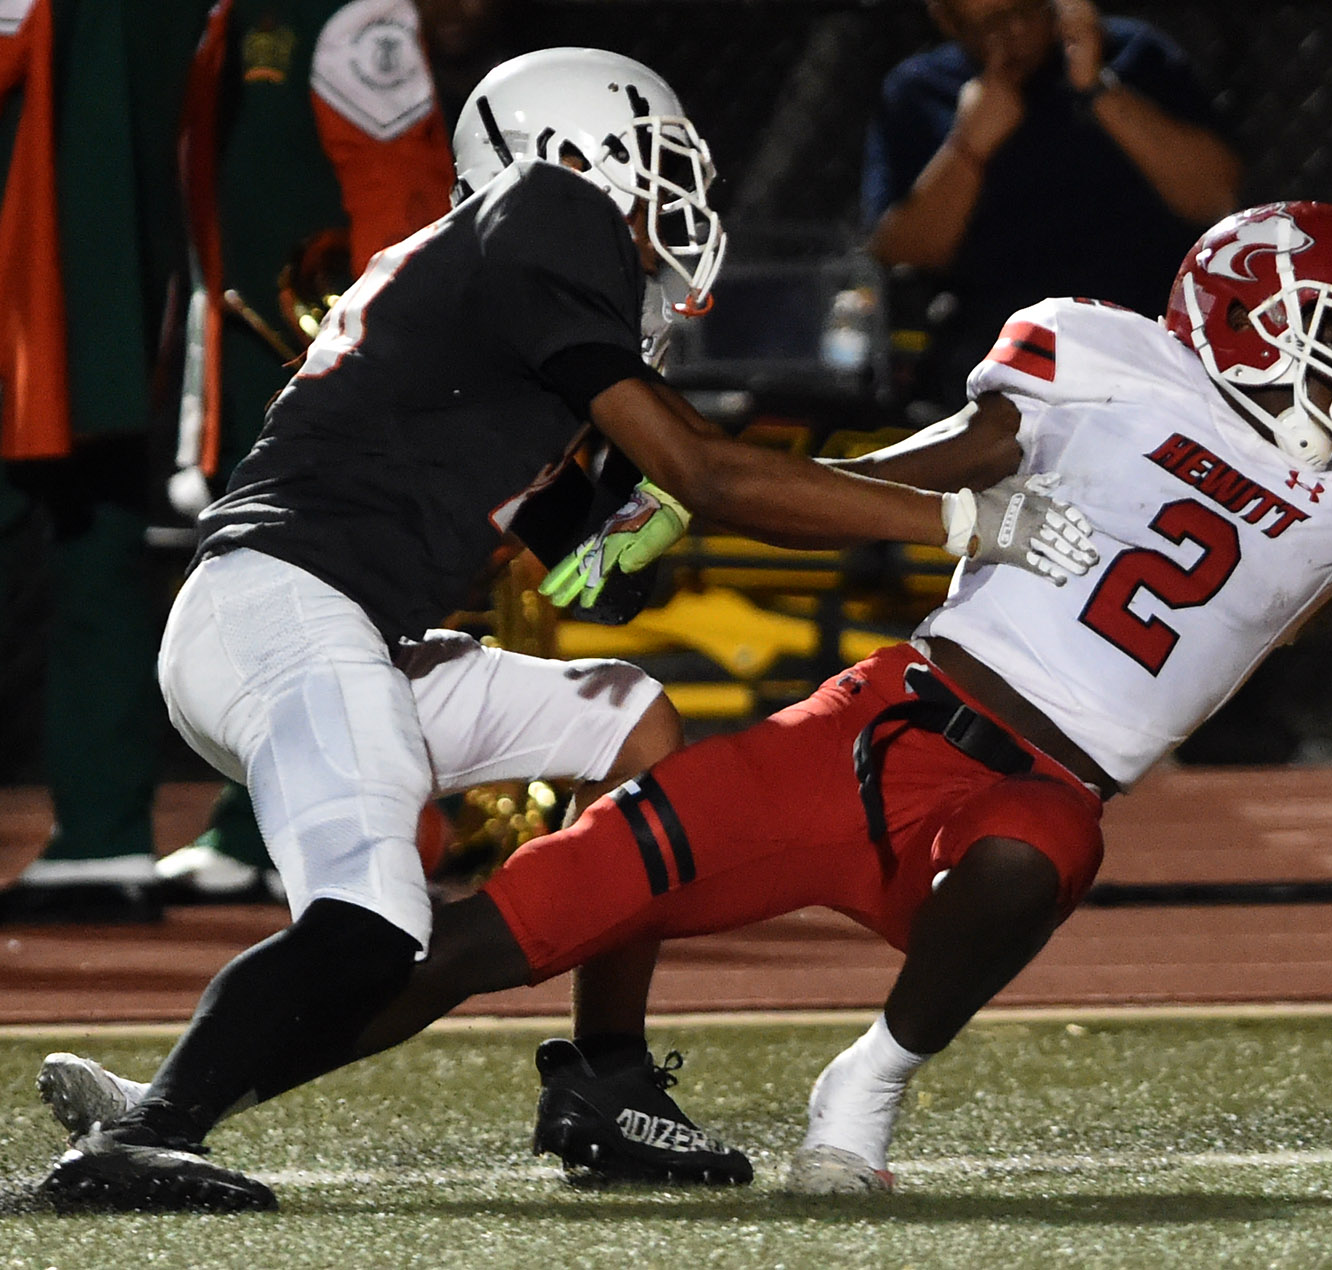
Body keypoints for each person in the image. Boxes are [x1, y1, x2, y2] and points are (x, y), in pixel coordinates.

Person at [38, 200, 1332, 1205]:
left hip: (1030, 789)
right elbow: (971, 438)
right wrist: (921, 483)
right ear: (1260, 316)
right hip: (882, 723)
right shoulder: (1102, 363)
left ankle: (867, 1085)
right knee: (493, 932)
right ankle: (189, 1101)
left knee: (1042, 850)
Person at [32, 46, 1096, 1211]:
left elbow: (600, 569)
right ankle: (144, 1136)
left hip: (341, 622)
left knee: (632, 720)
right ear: (576, 151)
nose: (667, 200)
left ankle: (605, 1074)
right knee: (375, 922)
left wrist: (646, 514)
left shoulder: (495, 292)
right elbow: (704, 470)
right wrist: (962, 517)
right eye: (650, 163)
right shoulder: (544, 208)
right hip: (286, 606)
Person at [156, 0, 462, 903]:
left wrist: (392, 356)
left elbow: (399, 193)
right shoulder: (243, 13)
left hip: (328, 360)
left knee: (330, 586)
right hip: (268, 351)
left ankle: (351, 821)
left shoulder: (355, 14)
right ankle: (267, 821)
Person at [0, 0, 210, 924]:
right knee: (103, 557)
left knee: (99, 555)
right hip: (115, 299)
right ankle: (105, 831)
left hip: (28, 298)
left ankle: (104, 835)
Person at [863, 0, 1239, 403]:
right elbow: (902, 249)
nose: (1016, 33)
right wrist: (968, 146)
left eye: (1026, 11)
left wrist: (1098, 90)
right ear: (948, 21)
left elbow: (1214, 197)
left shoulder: (1130, 53)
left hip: (1149, 344)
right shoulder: (921, 89)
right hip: (1000, 360)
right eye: (992, 24)